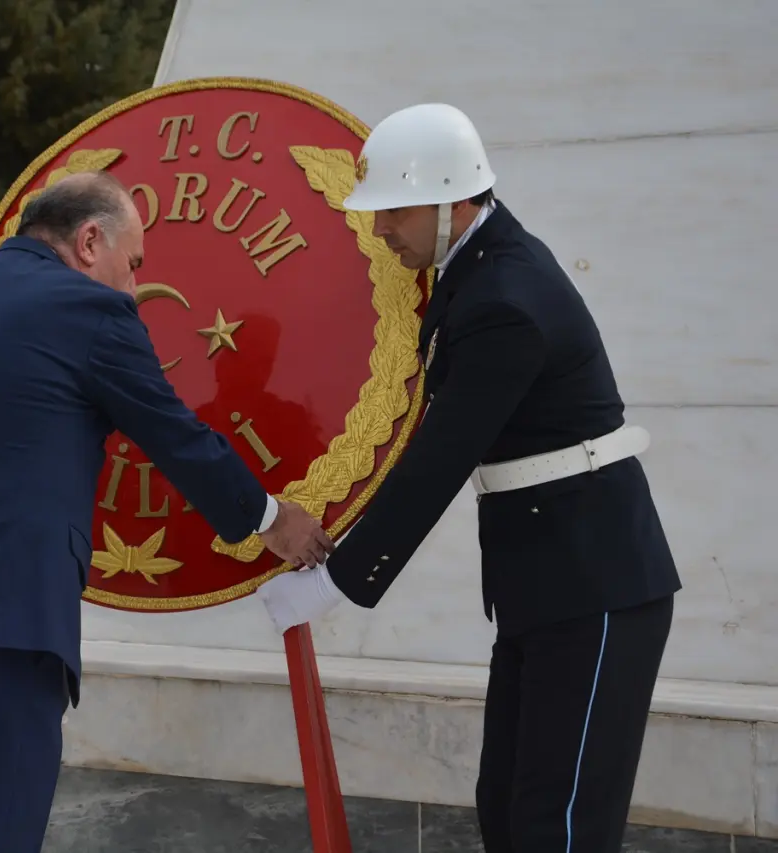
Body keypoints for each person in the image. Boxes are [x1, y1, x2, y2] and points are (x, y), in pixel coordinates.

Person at [0, 170, 334, 852]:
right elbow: (177, 436)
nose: (134, 286)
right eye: (133, 263)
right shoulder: (87, 309)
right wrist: (271, 518)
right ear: (90, 241)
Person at [256, 103, 681, 852]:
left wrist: (334, 583)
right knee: (508, 810)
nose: (380, 230)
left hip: (594, 585)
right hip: (546, 583)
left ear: (452, 200)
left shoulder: (504, 299)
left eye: (394, 211)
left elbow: (440, 458)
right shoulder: (475, 271)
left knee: (558, 827)